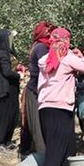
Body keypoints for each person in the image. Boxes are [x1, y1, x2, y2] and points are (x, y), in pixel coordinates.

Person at [37, 28, 84, 166]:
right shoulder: (67, 58)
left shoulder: (45, 59)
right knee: (57, 143)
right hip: (60, 105)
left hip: (44, 106)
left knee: (66, 142)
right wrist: (81, 57)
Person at [20, 21, 54, 157]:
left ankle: (32, 153)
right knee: (38, 127)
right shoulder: (41, 48)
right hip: (35, 92)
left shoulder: (39, 45)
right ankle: (42, 158)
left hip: (35, 90)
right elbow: (48, 67)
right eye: (49, 32)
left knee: (33, 125)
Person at [0, 29, 21, 151]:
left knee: (12, 115)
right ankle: (0, 142)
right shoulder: (1, 54)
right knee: (4, 116)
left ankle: (7, 141)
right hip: (3, 90)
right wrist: (19, 76)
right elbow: (7, 72)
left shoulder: (6, 53)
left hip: (11, 89)